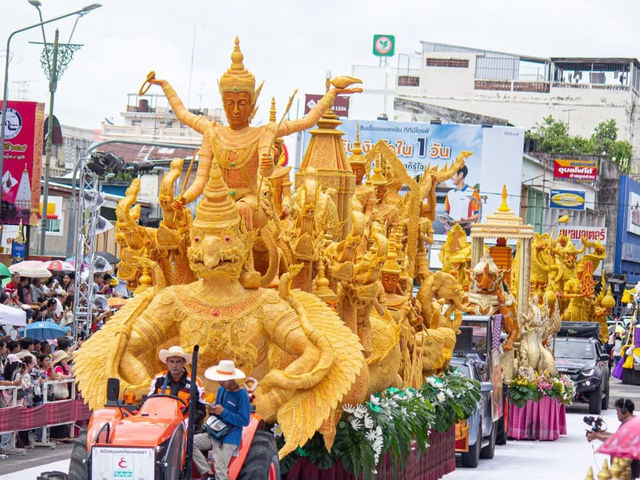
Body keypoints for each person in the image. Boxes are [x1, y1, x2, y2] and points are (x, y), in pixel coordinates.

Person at [192, 360, 251, 480]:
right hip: (215, 433)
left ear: (232, 378)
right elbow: (218, 411)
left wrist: (223, 412)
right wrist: (212, 410)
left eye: (223, 380)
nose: (220, 382)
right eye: (219, 379)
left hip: (230, 437)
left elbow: (245, 420)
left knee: (220, 466)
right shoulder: (221, 390)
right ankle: (208, 473)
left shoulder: (242, 395)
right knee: (189, 442)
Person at [148, 346, 206, 423]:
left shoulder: (195, 382)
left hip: (184, 425)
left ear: (184, 363)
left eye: (178, 362)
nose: (174, 365)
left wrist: (189, 421)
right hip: (161, 423)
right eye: (172, 361)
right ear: (167, 362)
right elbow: (149, 403)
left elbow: (201, 410)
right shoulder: (158, 379)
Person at [441, 165, 482, 235]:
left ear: (460, 175)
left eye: (453, 174)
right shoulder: (449, 194)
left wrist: (464, 220)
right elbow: (446, 213)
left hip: (466, 232)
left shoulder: (473, 192)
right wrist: (444, 219)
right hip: (450, 231)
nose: (451, 177)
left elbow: (478, 216)